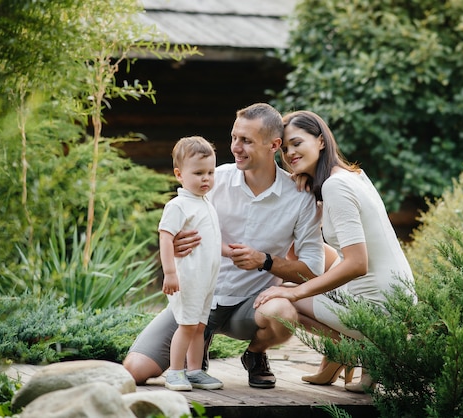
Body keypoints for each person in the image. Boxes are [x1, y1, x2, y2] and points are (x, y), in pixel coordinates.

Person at [123, 103, 326, 389]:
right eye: (234, 138)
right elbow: (174, 225)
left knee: (283, 313)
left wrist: (264, 261)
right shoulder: (213, 180)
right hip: (198, 294)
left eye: (246, 141)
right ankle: (199, 345)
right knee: (135, 370)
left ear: (274, 145)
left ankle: (255, 355)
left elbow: (313, 270)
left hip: (249, 305)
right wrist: (178, 244)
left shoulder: (299, 197)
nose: (235, 147)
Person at [253, 110, 417, 392]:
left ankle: (357, 353)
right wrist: (310, 196)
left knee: (283, 299)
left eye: (297, 143)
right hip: (399, 302)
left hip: (378, 313)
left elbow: (357, 264)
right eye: (286, 148)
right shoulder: (353, 176)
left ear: (320, 141)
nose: (290, 153)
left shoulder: (336, 186)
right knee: (311, 262)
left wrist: (294, 291)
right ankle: (338, 360)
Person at [157, 135, 224, 391]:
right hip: (187, 278)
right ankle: (175, 371)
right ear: (179, 174)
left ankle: (195, 370)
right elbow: (165, 238)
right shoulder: (178, 205)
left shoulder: (205, 203)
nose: (206, 178)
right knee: (186, 325)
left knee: (199, 326)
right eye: (198, 173)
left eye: (210, 172)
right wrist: (170, 272)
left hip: (206, 280)